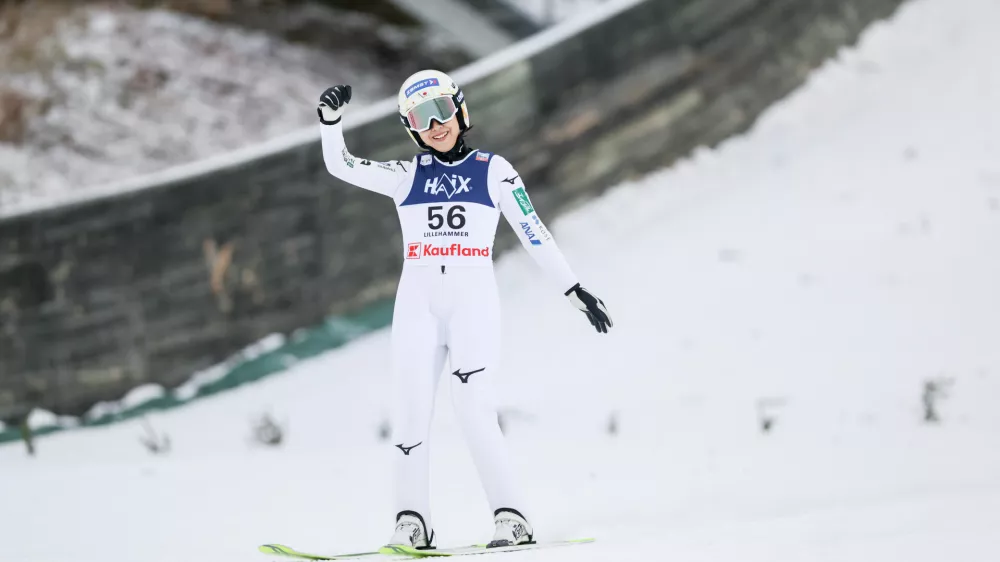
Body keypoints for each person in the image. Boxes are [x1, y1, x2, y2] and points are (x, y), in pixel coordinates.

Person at [316, 70, 613, 550]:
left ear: (461, 111)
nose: (435, 124)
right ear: (410, 128)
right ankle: (412, 521)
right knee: (411, 413)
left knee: (473, 408)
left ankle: (512, 517)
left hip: (472, 303)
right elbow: (342, 166)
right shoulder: (405, 176)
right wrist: (330, 122)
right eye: (420, 118)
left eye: (441, 111)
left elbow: (533, 230)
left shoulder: (494, 170)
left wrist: (572, 288)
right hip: (417, 305)